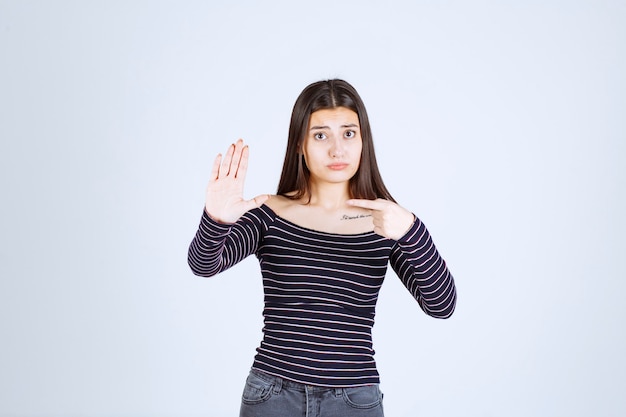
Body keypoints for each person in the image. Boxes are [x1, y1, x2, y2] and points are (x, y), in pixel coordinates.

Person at [188, 79, 457, 417]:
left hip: (353, 399)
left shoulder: (386, 221)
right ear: (300, 143)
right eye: (320, 135)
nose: (336, 150)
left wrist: (413, 231)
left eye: (348, 134)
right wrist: (216, 218)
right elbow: (203, 264)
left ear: (363, 142)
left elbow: (442, 305)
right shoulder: (269, 213)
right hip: (273, 395)